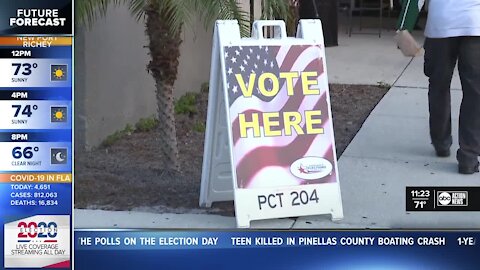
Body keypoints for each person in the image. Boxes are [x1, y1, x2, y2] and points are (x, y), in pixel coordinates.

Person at [423, 0, 480, 174]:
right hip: (475, 22)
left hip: (441, 21)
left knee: (438, 85)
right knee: (475, 92)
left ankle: (441, 142)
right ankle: (468, 157)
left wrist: (404, 26)